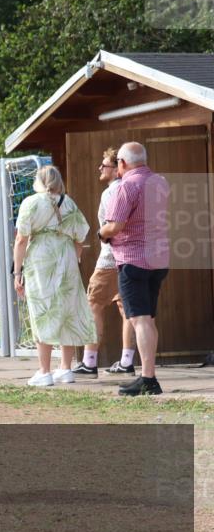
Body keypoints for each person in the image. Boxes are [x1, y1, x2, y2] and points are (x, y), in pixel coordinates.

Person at [12, 166, 96, 387]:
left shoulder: (30, 203)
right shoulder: (69, 203)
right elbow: (81, 238)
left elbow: (21, 239)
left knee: (43, 310)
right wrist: (74, 259)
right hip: (66, 257)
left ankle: (44, 371)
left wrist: (17, 271)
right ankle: (66, 369)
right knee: (67, 310)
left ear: (39, 181)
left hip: (41, 260)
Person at [99, 142, 170, 396]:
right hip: (159, 259)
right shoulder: (160, 182)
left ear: (123, 163)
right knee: (148, 319)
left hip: (133, 260)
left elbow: (114, 226)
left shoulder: (127, 186)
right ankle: (149, 376)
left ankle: (148, 379)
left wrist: (101, 233)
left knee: (140, 320)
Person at [73, 147, 137, 379]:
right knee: (127, 309)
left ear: (118, 168)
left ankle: (90, 363)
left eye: (104, 165)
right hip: (130, 257)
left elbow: (112, 226)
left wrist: (102, 235)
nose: (100, 168)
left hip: (110, 258)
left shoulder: (112, 192)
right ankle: (126, 361)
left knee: (93, 304)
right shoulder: (131, 189)